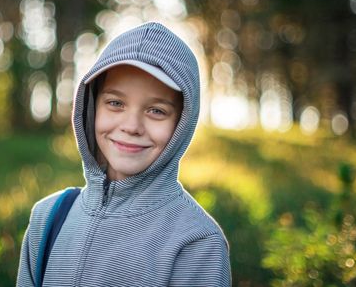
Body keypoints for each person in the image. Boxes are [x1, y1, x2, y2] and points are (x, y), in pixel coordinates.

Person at [17, 22, 231, 286]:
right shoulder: (48, 218)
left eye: (157, 111)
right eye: (115, 103)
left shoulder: (195, 241)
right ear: (93, 106)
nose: (131, 126)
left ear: (182, 123)